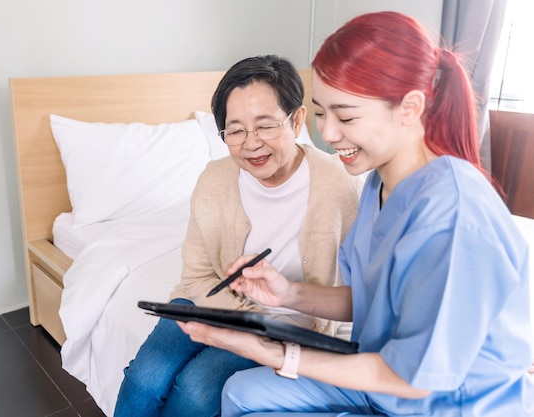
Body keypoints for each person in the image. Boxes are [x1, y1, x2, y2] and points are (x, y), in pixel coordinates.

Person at [178, 11, 534, 417]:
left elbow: (415, 378)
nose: (327, 134)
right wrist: (288, 293)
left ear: (409, 108)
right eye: (321, 113)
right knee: (242, 392)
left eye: (345, 116)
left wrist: (271, 352)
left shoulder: (452, 215)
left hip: (439, 401)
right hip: (380, 380)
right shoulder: (379, 184)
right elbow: (373, 300)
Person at [113, 55, 361, 417]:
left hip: (285, 324)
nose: (251, 143)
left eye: (265, 126)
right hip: (206, 301)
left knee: (198, 389)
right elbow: (196, 276)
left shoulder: (342, 186)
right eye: (236, 130)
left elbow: (357, 296)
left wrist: (260, 330)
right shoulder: (213, 180)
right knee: (144, 378)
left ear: (296, 120)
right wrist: (242, 315)